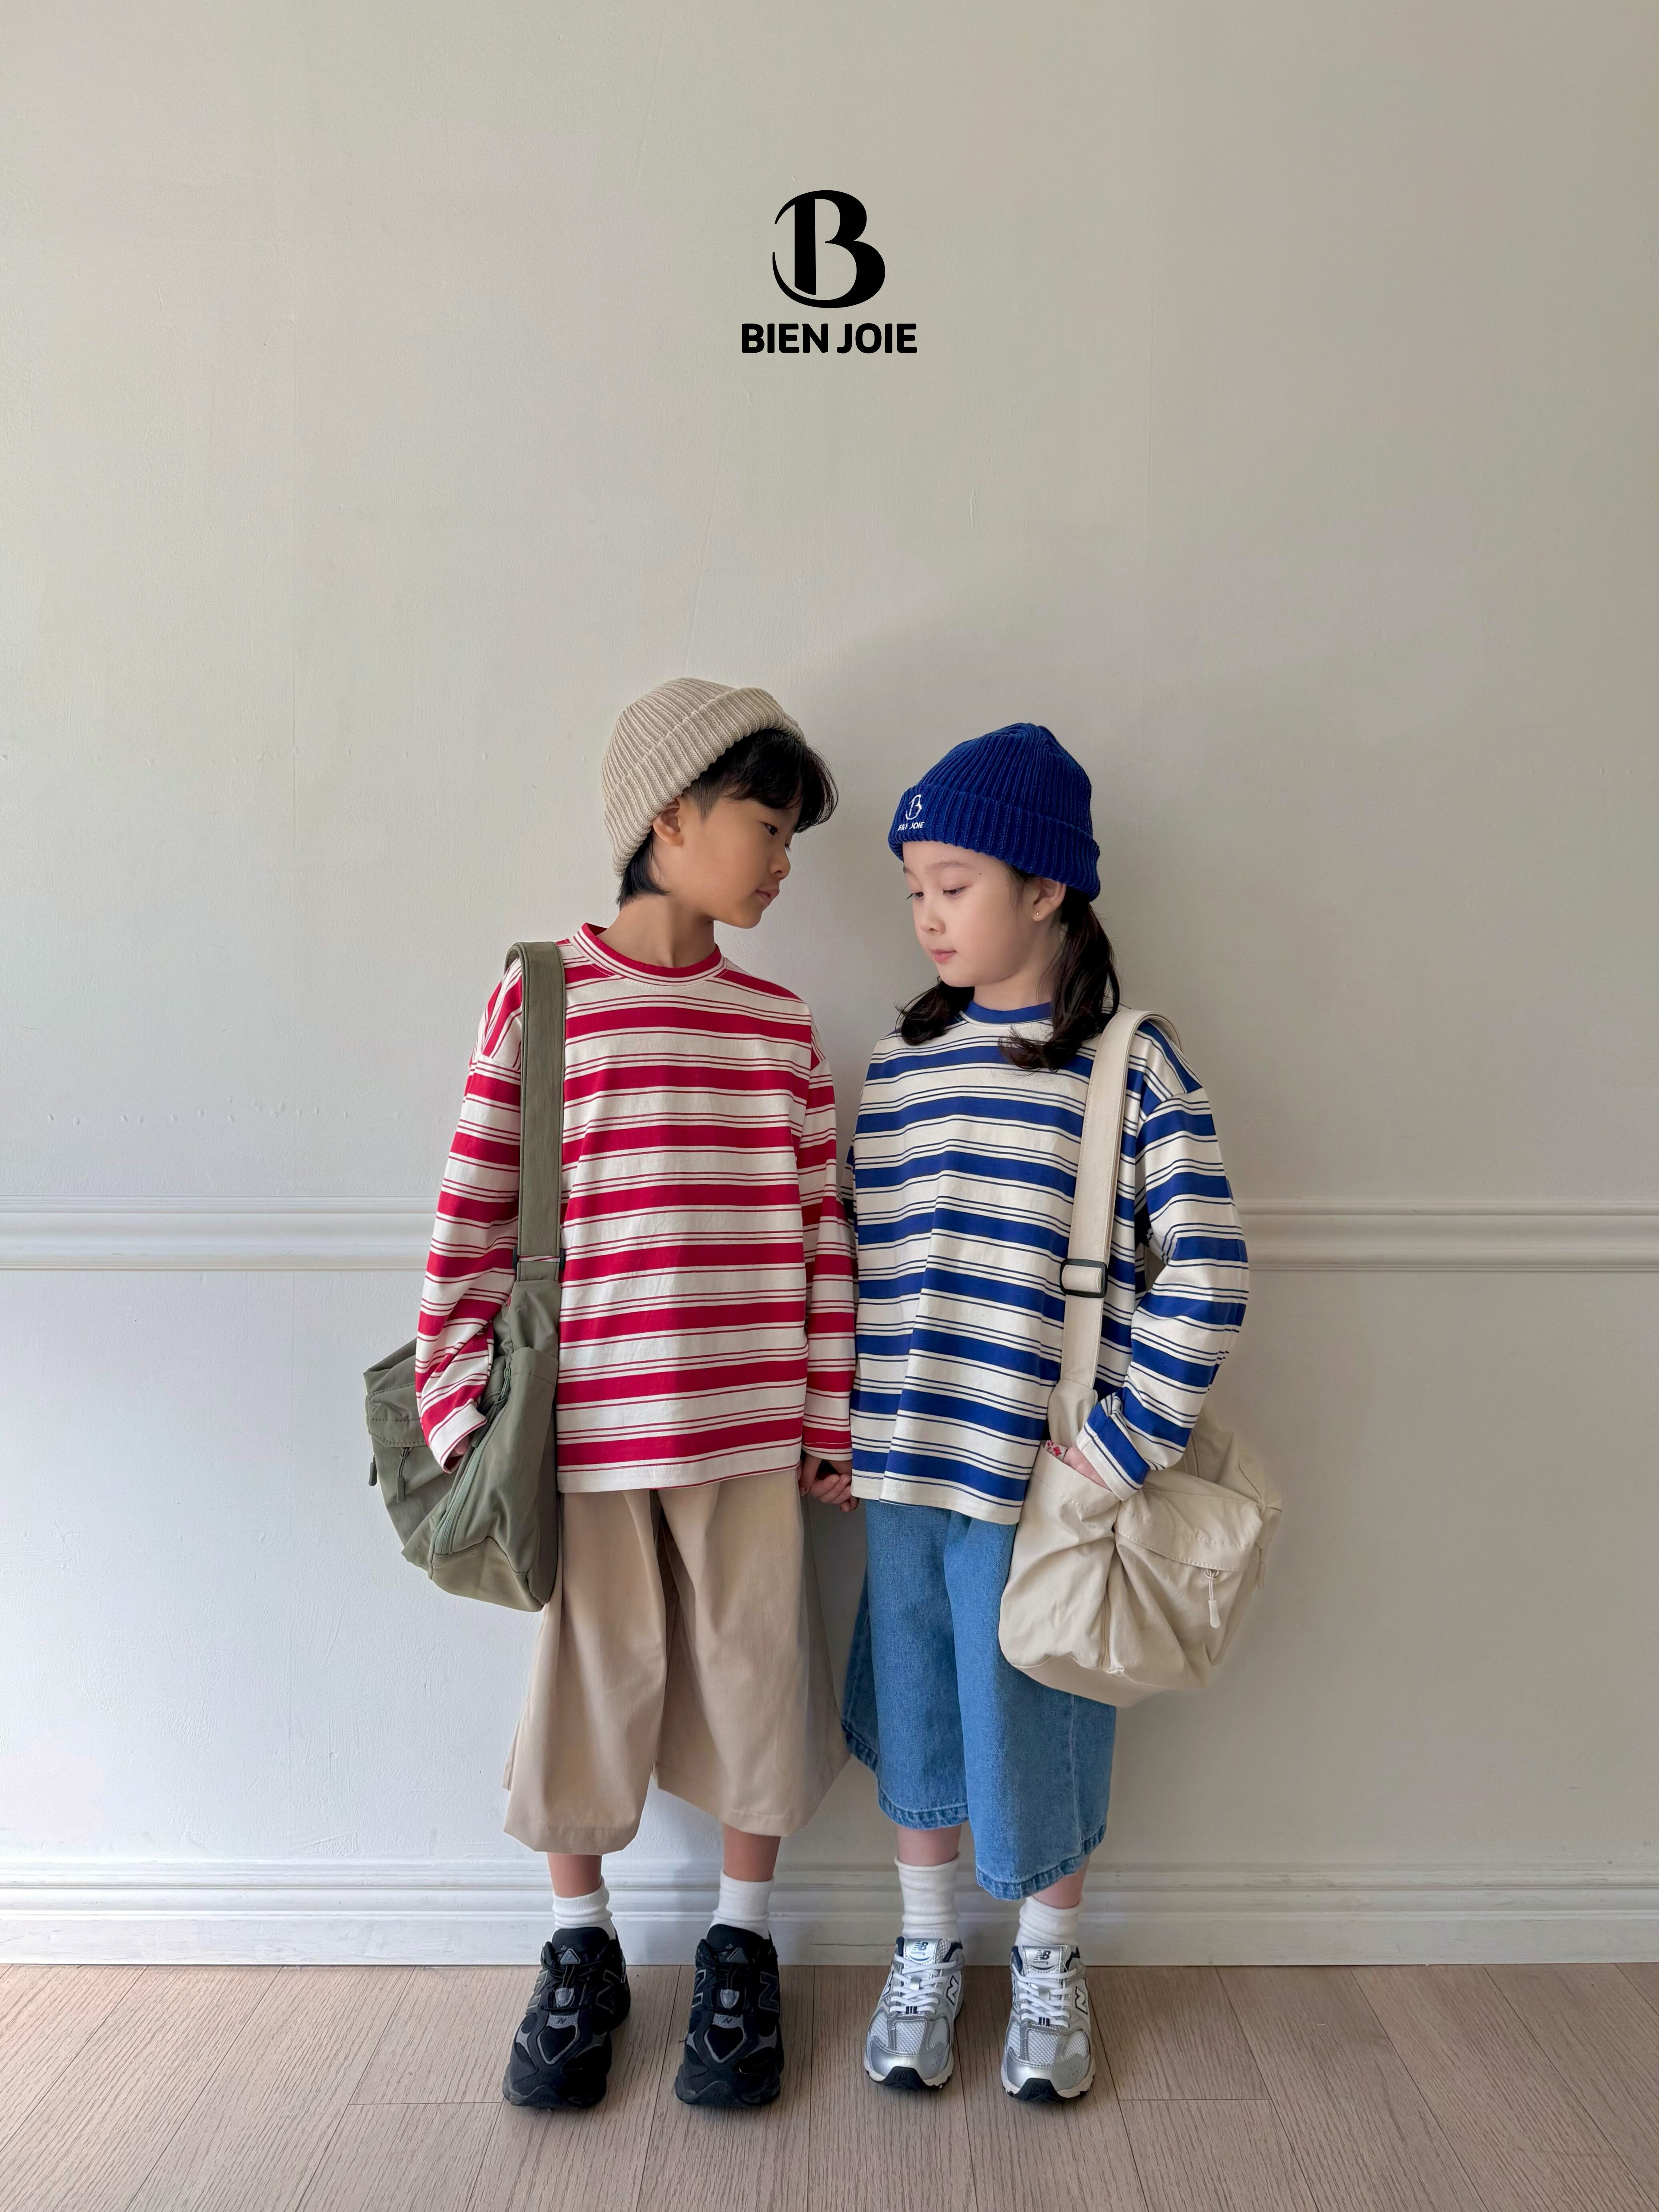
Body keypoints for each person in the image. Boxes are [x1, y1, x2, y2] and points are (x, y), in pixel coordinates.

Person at [416, 679, 856, 2112]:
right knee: (586, 1686)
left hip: (749, 1424)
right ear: (670, 818)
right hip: (590, 1431)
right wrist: (454, 1398)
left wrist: (828, 1411)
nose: (782, 859)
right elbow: (475, 1207)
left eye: (790, 834)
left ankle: (743, 1943)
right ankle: (579, 1942)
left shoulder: (780, 1025)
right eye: (765, 824)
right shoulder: (547, 992)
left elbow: (822, 1229)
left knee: (754, 1672)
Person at [842, 723, 1249, 2099]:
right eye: (915, 889)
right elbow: (867, 1260)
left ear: (1046, 885)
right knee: (917, 1706)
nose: (927, 914)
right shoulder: (901, 1066)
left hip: (1045, 1483)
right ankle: (925, 1946)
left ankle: (1050, 1961)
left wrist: (1124, 1442)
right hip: (907, 1461)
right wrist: (841, 1424)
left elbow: (1206, 1270)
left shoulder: (1130, 1065)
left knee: (1039, 1717)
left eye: (953, 884)